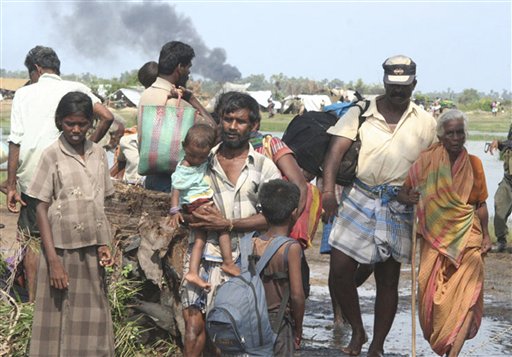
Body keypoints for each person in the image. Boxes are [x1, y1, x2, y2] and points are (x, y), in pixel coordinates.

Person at [322, 55, 437, 356]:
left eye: (404, 86)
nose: (398, 92)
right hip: (359, 195)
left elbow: (434, 166)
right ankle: (358, 330)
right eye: (393, 85)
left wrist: (425, 199)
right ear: (384, 82)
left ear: (414, 83)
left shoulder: (426, 123)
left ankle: (376, 345)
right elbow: (335, 152)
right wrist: (327, 192)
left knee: (388, 279)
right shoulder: (360, 112)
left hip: (399, 203)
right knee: (340, 270)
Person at [6, 45, 114, 302]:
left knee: (33, 239)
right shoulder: (76, 87)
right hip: (73, 177)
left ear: (37, 70)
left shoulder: (24, 94)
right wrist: (87, 147)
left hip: (33, 175)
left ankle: (33, 299)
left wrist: (11, 184)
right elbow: (107, 116)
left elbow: (15, 140)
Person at [180, 92, 281, 357]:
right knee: (193, 325)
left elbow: (272, 216)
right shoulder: (202, 158)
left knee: (225, 332)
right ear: (219, 121)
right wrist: (193, 216)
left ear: (254, 126)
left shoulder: (263, 167)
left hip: (241, 261)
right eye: (227, 119)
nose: (232, 127)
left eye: (240, 121)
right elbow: (184, 207)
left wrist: (228, 224)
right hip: (201, 255)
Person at [26, 92, 115, 356]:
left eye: (82, 124)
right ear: (59, 122)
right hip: (61, 251)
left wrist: (104, 244)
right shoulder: (51, 155)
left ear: (90, 123)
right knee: (58, 316)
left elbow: (101, 203)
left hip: (92, 250)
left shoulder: (99, 154)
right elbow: (40, 206)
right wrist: (53, 261)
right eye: (69, 124)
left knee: (94, 318)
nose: (76, 130)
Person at [398, 109, 492, 356]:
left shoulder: (474, 164)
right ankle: (441, 337)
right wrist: (410, 197)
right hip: (434, 239)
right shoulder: (426, 162)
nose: (456, 138)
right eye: (450, 133)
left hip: (469, 236)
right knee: (431, 294)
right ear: (441, 136)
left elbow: (480, 205)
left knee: (468, 293)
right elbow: (403, 192)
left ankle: (454, 353)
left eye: (460, 132)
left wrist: (486, 235)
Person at [137, 41, 215, 192]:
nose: (189, 72)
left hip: (151, 177)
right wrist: (192, 99)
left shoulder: (146, 94)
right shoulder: (179, 104)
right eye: (188, 67)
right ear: (179, 67)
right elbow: (212, 129)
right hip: (174, 180)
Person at [169, 124, 239, 290]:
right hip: (198, 203)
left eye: (201, 157)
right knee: (222, 226)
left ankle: (193, 272)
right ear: (184, 146)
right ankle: (228, 262)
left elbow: (218, 136)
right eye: (192, 155)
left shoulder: (201, 159)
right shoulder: (184, 167)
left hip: (197, 203)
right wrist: (174, 210)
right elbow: (176, 189)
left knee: (200, 239)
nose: (196, 160)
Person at [253, 179, 305, 354]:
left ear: (264, 213)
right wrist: (298, 328)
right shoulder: (291, 248)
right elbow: (297, 295)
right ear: (294, 213)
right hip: (279, 322)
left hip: (250, 320)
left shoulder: (250, 243)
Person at [487, 121, 512, 252]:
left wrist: (501, 143)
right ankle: (501, 241)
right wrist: (501, 146)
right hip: (509, 178)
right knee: (499, 204)